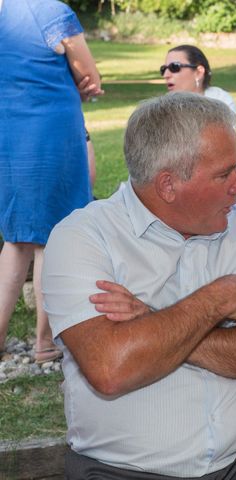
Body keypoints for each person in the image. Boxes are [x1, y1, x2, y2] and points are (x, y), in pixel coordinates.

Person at [41, 93, 236, 479]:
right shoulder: (82, 237)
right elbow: (111, 369)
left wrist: (151, 321)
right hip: (120, 471)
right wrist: (218, 299)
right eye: (224, 174)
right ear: (168, 185)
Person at [0, 0, 102, 362]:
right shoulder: (53, 12)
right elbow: (87, 71)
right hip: (50, 130)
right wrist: (88, 86)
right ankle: (45, 342)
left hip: (9, 129)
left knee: (16, 237)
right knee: (52, 235)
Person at [161, 44, 236, 211]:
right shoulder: (164, 108)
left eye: (174, 67)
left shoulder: (219, 100)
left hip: (220, 181)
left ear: (199, 71)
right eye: (164, 69)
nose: (167, 75)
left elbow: (219, 150)